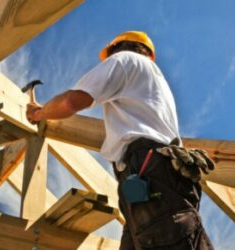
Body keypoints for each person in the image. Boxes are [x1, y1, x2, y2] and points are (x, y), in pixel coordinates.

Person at [26, 31, 214, 250]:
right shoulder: (153, 81)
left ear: (117, 49)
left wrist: (39, 113)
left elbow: (71, 101)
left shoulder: (125, 60)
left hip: (149, 173)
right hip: (154, 179)